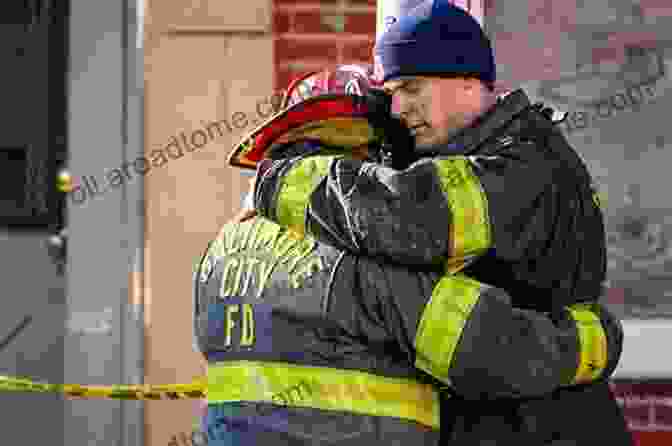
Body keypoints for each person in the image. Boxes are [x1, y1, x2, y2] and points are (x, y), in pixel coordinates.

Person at [245, 3, 634, 445]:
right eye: (390, 93)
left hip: (545, 428)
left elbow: (408, 217)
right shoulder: (475, 155)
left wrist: (283, 180)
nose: (398, 108)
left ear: (468, 78)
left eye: (411, 88)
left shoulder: (523, 163)